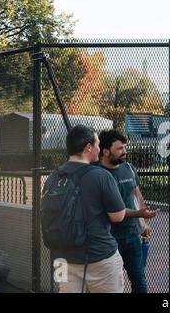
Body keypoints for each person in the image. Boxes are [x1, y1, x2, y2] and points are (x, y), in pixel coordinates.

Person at [45, 125, 127, 293]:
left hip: (62, 258)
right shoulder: (100, 175)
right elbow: (118, 216)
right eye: (97, 144)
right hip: (99, 257)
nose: (99, 148)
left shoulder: (54, 176)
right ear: (88, 147)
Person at [99, 129, 159, 293]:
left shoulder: (129, 168)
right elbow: (110, 210)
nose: (125, 152)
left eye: (125, 147)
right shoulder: (97, 175)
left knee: (140, 282)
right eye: (119, 149)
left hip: (132, 236)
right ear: (105, 151)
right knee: (112, 285)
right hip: (109, 239)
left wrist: (143, 223)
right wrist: (140, 214)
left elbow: (136, 195)